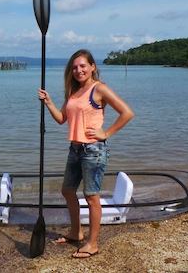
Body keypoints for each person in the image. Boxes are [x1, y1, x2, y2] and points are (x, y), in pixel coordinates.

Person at [38, 49, 134, 258]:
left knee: (91, 196)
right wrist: (49, 102)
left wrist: (106, 132)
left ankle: (93, 243)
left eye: (82, 66)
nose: (78, 70)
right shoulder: (74, 92)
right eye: (74, 67)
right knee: (67, 190)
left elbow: (127, 113)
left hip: (93, 150)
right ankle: (76, 232)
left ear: (93, 67)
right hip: (74, 149)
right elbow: (62, 118)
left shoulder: (99, 89)